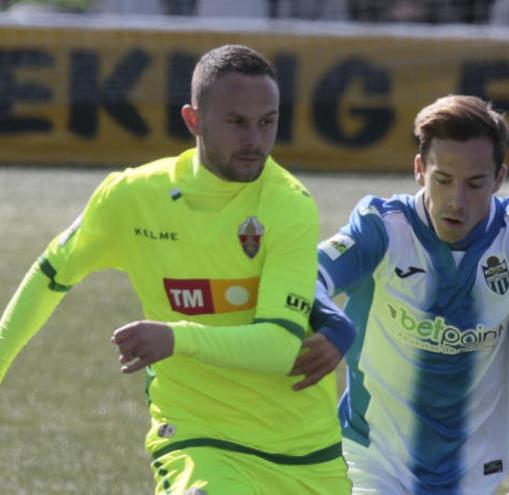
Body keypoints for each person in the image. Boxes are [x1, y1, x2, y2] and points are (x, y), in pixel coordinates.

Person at [0, 44, 353, 494]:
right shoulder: (130, 197)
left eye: (268, 122)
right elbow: (51, 274)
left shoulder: (289, 205)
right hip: (197, 437)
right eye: (236, 122)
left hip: (305, 450)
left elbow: (280, 346)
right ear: (193, 120)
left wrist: (175, 337)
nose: (255, 140)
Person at [313, 94, 509, 494]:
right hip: (374, 457)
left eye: (475, 184)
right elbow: (312, 273)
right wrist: (328, 320)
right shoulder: (381, 227)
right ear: (420, 170)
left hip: (476, 464)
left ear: (499, 178)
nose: (457, 201)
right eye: (443, 180)